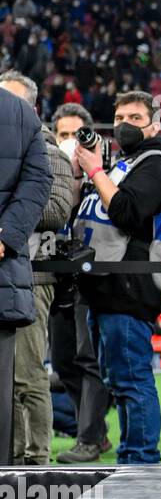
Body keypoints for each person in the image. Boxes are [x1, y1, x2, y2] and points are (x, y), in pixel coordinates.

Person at [70, 89, 161, 465]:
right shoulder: (125, 162)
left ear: (154, 124)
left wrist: (96, 171)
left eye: (135, 118)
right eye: (119, 119)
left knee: (132, 379)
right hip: (106, 286)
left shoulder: (155, 161)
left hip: (130, 286)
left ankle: (140, 458)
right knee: (118, 379)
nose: (125, 125)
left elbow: (128, 212)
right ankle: (134, 454)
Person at [0, 72, 75, 465]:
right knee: (8, 381)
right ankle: (11, 455)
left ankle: (37, 457)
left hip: (34, 274)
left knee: (28, 376)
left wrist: (10, 219)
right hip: (12, 270)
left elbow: (57, 209)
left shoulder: (50, 154)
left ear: (29, 108)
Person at [47, 103, 114, 463]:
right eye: (63, 135)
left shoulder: (104, 174)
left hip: (91, 278)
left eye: (76, 135)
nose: (69, 141)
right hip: (59, 278)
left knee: (89, 360)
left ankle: (88, 436)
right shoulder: (45, 172)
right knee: (63, 362)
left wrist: (87, 171)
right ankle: (96, 432)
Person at [0, 83, 53, 463]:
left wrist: (5, 238)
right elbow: (37, 182)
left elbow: (39, 182)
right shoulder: (21, 114)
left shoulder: (20, 114)